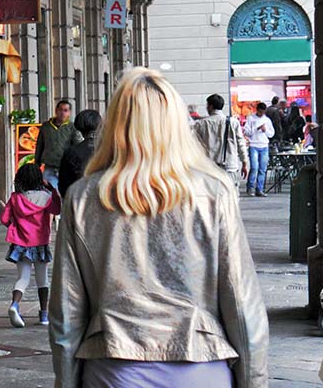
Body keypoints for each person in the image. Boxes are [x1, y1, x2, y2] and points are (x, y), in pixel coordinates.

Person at [49, 67, 268, 388]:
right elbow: (241, 302)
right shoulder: (213, 192)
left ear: (116, 125)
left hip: (114, 369)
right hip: (200, 366)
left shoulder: (83, 197)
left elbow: (66, 314)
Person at [0, 163, 61, 328]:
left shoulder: (15, 198)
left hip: (21, 245)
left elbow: (4, 220)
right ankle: (44, 315)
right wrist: (53, 190)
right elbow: (57, 209)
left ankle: (14, 305)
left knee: (23, 278)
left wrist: (14, 223)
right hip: (40, 243)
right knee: (43, 280)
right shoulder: (46, 198)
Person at [192, 94, 249, 191]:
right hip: (229, 166)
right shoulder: (233, 122)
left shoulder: (201, 124)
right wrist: (244, 162)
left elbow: (193, 145)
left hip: (209, 167)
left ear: (210, 106)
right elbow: (240, 143)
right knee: (230, 195)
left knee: (210, 196)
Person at [34, 100, 82, 189]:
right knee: (48, 192)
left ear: (69, 113)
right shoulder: (46, 126)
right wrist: (36, 164)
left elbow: (78, 146)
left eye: (65, 110)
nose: (62, 113)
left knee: (64, 193)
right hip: (49, 167)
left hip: (66, 168)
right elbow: (40, 145)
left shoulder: (72, 128)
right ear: (56, 111)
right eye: (60, 110)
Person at [58, 109, 102, 199]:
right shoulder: (111, 149)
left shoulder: (71, 152)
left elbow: (64, 186)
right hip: (106, 202)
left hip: (80, 201)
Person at [243, 102, 275, 197]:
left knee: (262, 169)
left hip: (264, 145)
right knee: (254, 167)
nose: (261, 114)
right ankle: (250, 187)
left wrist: (265, 130)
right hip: (254, 145)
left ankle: (259, 189)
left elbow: (271, 134)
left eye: (263, 112)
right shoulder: (251, 118)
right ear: (257, 110)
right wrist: (256, 129)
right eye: (260, 112)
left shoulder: (267, 120)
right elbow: (246, 132)